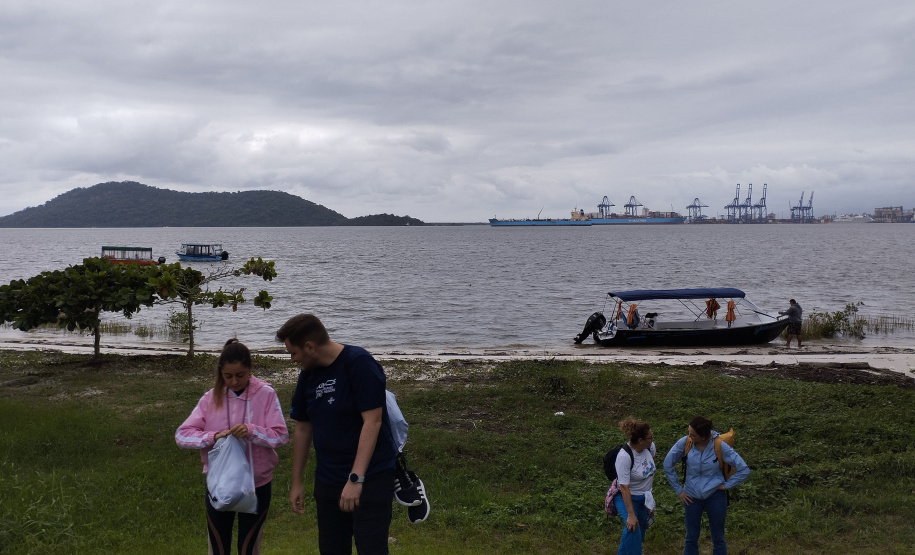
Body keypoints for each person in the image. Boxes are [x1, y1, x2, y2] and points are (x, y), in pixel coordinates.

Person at [279, 313, 397, 555]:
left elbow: (372, 422)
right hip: (328, 479)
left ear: (310, 347)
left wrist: (356, 479)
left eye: (293, 352)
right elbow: (302, 427)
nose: (292, 359)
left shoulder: (359, 363)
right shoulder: (308, 375)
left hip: (370, 478)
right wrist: (296, 482)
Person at [175, 338, 289, 555]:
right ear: (221, 372)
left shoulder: (266, 395)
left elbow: (281, 436)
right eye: (228, 376)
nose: (235, 381)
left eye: (240, 375)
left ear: (250, 369)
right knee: (218, 547)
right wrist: (213, 436)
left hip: (257, 484)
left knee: (248, 548)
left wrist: (252, 431)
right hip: (219, 483)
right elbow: (182, 435)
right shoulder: (210, 398)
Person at [663, 416, 750, 555]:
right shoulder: (685, 442)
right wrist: (679, 490)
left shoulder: (719, 445)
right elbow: (667, 464)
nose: (689, 436)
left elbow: (744, 469)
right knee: (691, 537)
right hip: (691, 496)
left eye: (693, 434)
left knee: (718, 537)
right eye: (689, 432)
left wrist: (727, 486)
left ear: (704, 436)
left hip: (715, 496)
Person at [612, 417, 656, 555]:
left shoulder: (650, 447)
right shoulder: (624, 457)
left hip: (644, 498)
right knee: (632, 528)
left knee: (638, 532)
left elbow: (649, 464)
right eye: (650, 437)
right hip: (626, 498)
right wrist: (630, 514)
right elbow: (624, 487)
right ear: (641, 441)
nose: (652, 439)